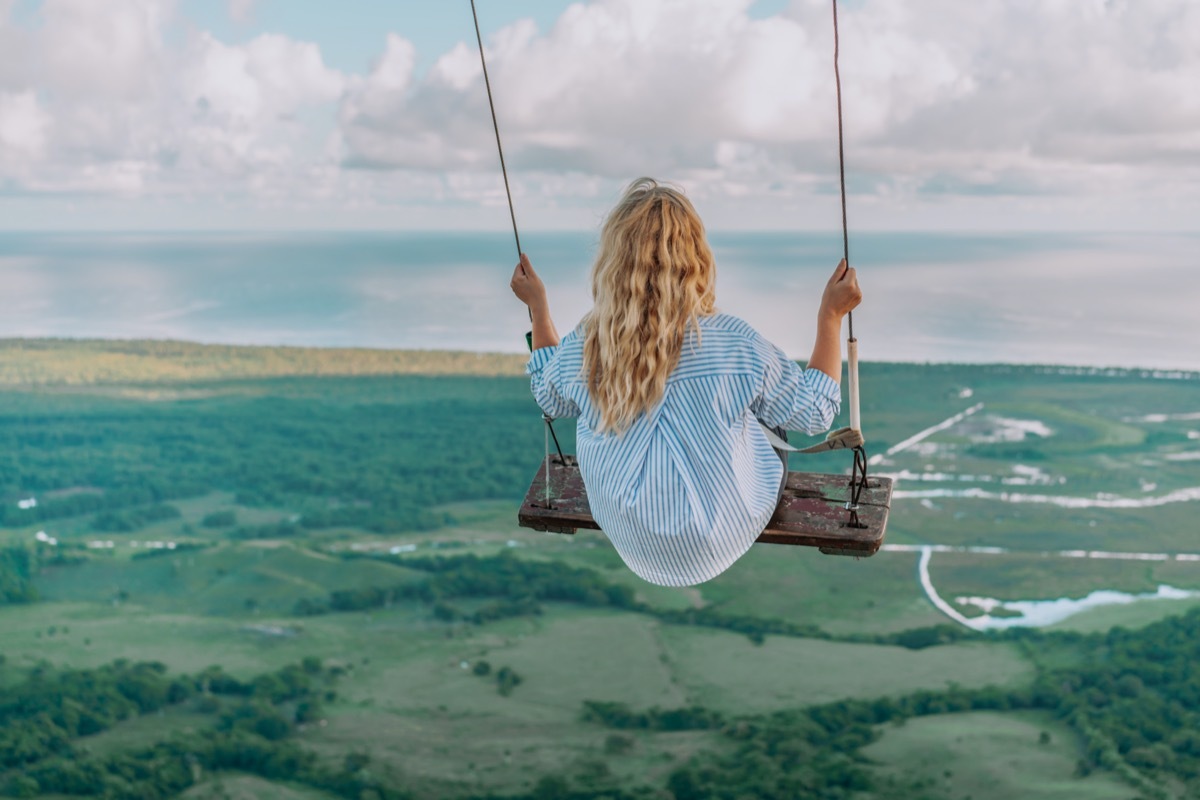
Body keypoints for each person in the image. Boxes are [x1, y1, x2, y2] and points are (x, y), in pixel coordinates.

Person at [509, 178, 861, 587]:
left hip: (632, 536)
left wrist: (537, 306)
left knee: (592, 403)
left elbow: (549, 397)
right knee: (768, 416)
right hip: (723, 535)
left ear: (614, 264)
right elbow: (816, 411)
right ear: (696, 258)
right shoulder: (734, 343)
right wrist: (831, 317)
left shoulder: (589, 343)